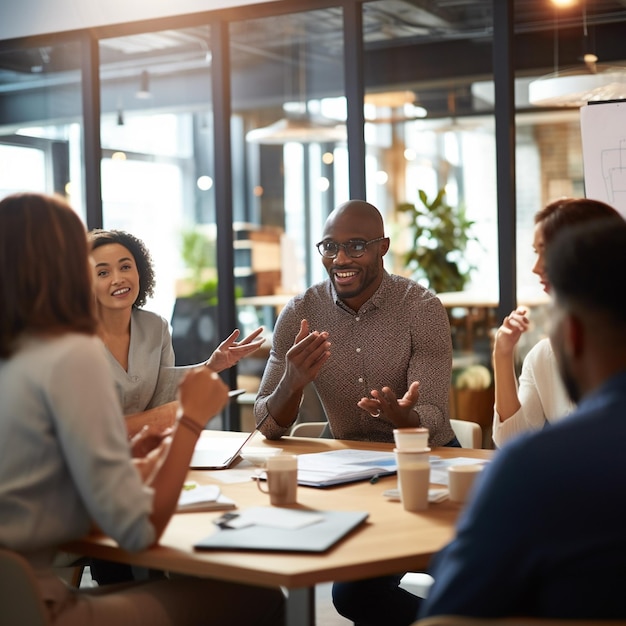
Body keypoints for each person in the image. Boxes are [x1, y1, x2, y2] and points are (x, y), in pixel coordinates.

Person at [0, 192, 284, 625]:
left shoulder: (19, 352)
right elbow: (136, 529)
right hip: (37, 607)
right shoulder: (69, 354)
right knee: (261, 599)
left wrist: (129, 458)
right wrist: (191, 420)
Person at [253, 199, 456, 626]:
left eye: (356, 246)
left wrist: (405, 419)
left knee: (477, 580)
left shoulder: (421, 308)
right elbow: (267, 425)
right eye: (329, 246)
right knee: (354, 597)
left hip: (424, 467)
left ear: (382, 247)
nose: (340, 259)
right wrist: (291, 382)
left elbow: (435, 416)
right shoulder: (300, 313)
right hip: (350, 473)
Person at [419, 215, 626, 620]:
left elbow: (450, 611)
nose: (536, 268)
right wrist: (503, 355)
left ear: (573, 334)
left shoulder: (536, 469)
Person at [89, 228, 265, 437]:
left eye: (125, 266)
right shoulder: (72, 341)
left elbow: (165, 393)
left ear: (140, 272)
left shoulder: (155, 326)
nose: (118, 279)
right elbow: (85, 430)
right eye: (102, 273)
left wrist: (211, 366)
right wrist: (158, 418)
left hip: (148, 453)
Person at [492, 197, 622, 447]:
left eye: (547, 252)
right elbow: (511, 443)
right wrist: (502, 353)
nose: (536, 267)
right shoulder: (543, 355)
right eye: (536, 252)